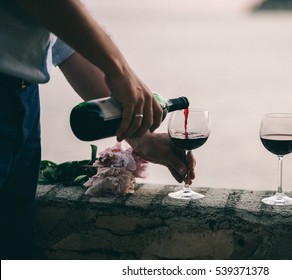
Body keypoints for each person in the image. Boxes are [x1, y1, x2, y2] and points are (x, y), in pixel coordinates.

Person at [0, 0, 195, 259]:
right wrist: (118, 69)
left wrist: (140, 135)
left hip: (22, 101)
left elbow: (62, 41)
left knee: (13, 247)